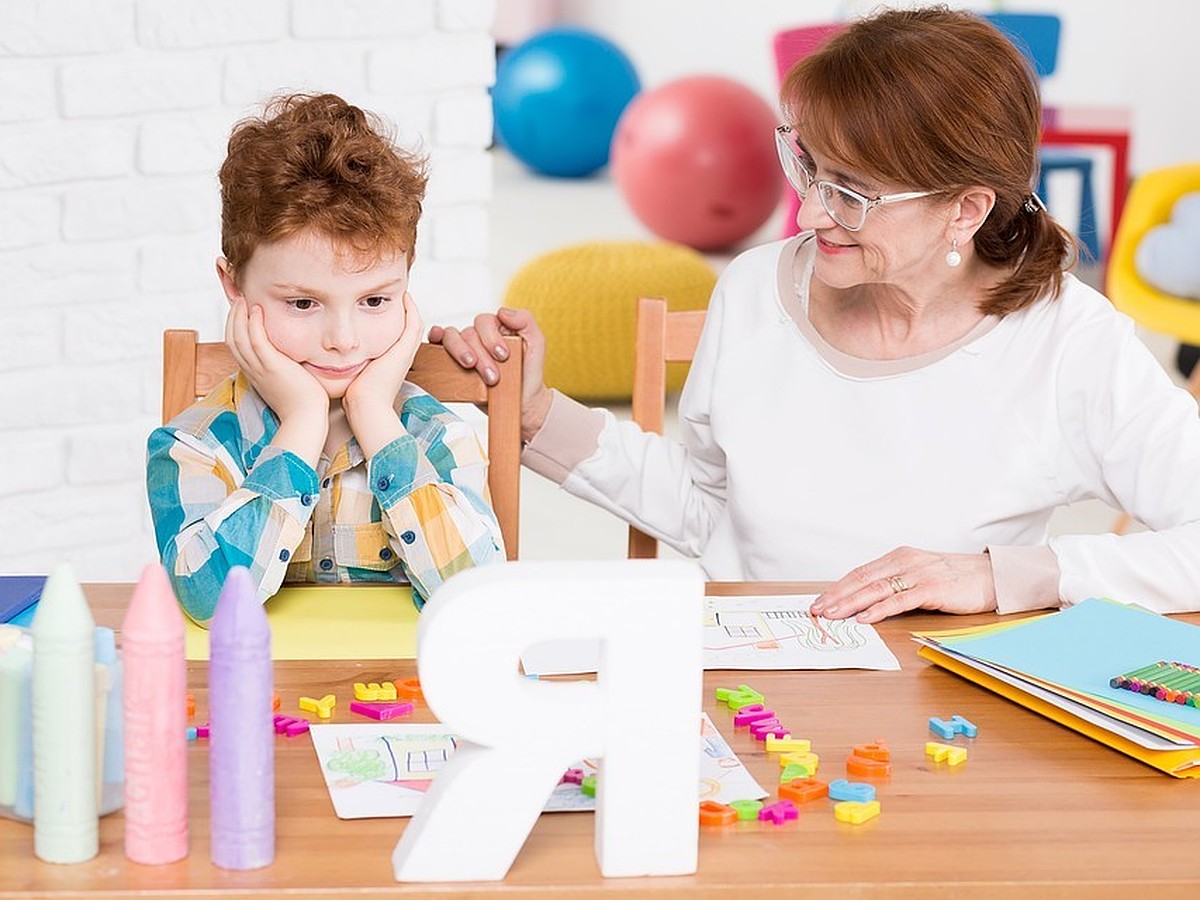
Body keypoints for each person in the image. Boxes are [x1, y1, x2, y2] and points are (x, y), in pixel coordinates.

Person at [432, 6, 1200, 623]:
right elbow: (709, 508)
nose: (810, 212)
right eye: (809, 167)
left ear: (965, 208)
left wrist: (1001, 576)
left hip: (950, 712)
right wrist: (531, 411)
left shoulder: (1068, 341)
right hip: (759, 673)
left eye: (853, 192)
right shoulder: (754, 288)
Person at [147, 93, 504, 626]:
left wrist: (377, 417)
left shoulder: (438, 438)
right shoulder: (194, 446)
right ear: (233, 285)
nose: (343, 339)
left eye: (375, 301)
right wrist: (303, 421)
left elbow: (478, 596)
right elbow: (209, 602)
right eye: (302, 303)